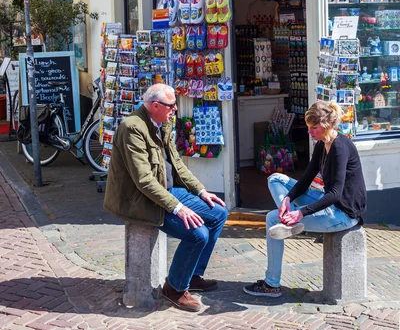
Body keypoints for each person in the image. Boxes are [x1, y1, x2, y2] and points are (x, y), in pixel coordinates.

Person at [104, 84, 228, 312]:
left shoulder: (163, 122)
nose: (176, 110)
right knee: (197, 234)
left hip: (169, 191)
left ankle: (191, 276)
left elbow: (176, 163)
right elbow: (143, 181)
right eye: (171, 106)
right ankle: (175, 289)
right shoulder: (132, 128)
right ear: (155, 106)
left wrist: (200, 190)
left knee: (218, 213)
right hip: (142, 199)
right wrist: (178, 208)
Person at [244, 100, 367, 298]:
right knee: (275, 179)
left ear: (326, 126)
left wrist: (301, 212)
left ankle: (271, 283)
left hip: (343, 213)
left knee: (271, 219)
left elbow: (335, 193)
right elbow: (305, 180)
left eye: (314, 127)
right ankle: (288, 224)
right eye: (309, 127)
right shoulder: (322, 145)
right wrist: (288, 200)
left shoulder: (340, 148)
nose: (309, 132)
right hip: (329, 204)